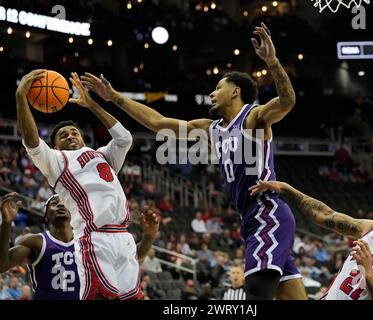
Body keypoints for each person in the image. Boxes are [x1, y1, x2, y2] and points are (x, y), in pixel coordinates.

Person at [82, 22, 305, 300]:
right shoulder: (210, 128)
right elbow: (158, 122)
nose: (212, 93)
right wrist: (114, 97)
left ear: (236, 91)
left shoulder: (253, 117)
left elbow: (287, 101)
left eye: (218, 87)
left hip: (266, 213)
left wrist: (271, 61)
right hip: (249, 218)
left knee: (255, 295)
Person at [16, 70, 136, 300]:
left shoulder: (102, 155)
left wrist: (91, 105)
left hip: (123, 236)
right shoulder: (55, 162)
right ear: (55, 146)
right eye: (63, 135)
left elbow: (124, 138)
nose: (70, 136)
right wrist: (21, 96)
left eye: (74, 133)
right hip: (94, 237)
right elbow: (31, 141)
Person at [249, 180, 373, 300]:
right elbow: (325, 215)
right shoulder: (372, 230)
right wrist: (288, 190)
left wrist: (369, 274)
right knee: (279, 258)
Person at [0, 192, 161, 300]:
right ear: (46, 216)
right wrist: (6, 224)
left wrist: (149, 236)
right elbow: (2, 264)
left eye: (65, 203)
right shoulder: (36, 241)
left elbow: (133, 258)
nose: (61, 205)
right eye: (54, 203)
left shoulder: (92, 242)